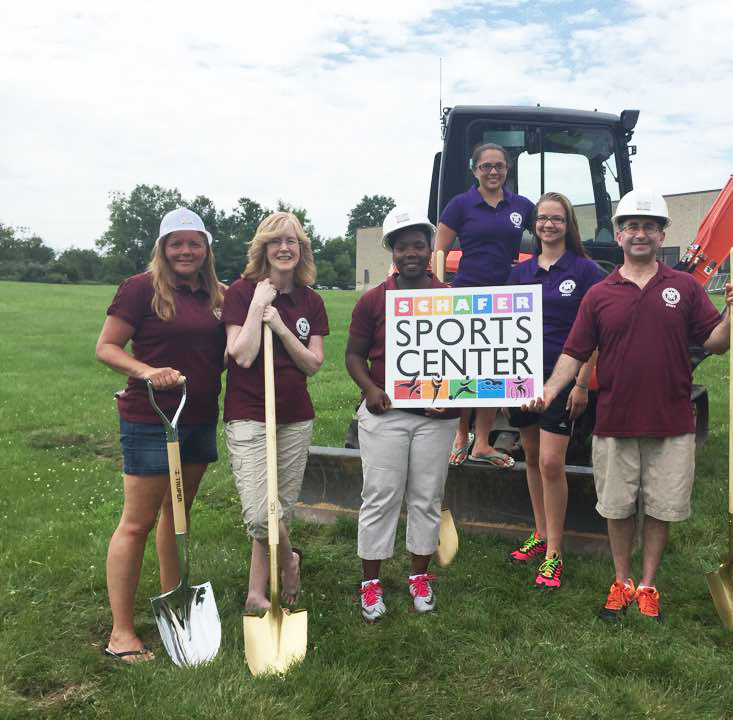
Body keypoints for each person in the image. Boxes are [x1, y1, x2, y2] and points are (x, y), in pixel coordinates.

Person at [526, 188, 733, 621]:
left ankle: (648, 585)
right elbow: (574, 352)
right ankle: (621, 580)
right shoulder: (600, 293)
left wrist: (732, 312)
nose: (639, 234)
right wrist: (551, 389)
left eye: (649, 227)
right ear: (620, 235)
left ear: (661, 236)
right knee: (617, 506)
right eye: (631, 227)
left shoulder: (683, 287)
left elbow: (715, 344)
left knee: (661, 508)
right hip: (615, 421)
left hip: (671, 420)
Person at [95, 207, 225, 663]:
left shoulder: (216, 294)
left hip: (199, 416)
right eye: (176, 243)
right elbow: (106, 347)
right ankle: (122, 633)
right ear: (163, 248)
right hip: (152, 418)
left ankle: (178, 607)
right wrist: (148, 371)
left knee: (179, 515)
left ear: (206, 247)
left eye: (194, 242)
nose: (185, 251)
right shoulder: (140, 289)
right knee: (138, 522)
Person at [346, 205, 460, 622]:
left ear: (431, 248)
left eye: (418, 245)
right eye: (402, 246)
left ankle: (418, 576)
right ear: (391, 251)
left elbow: (466, 360)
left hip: (436, 418)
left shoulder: (451, 299)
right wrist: (371, 388)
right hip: (387, 413)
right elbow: (354, 355)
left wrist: (454, 399)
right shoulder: (375, 299)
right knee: (380, 497)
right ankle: (370, 581)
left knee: (427, 498)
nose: (410, 252)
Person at [222, 211, 327, 613]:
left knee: (277, 505)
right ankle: (289, 562)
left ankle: (255, 592)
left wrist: (281, 326)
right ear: (263, 249)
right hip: (248, 413)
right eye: (276, 241)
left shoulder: (310, 301)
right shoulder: (240, 293)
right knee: (260, 511)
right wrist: (257, 306)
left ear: (302, 251)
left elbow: (313, 363)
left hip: (294, 416)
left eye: (293, 242)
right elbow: (243, 355)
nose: (285, 248)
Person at [506, 192, 605, 589]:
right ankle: (540, 532)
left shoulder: (585, 272)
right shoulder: (519, 274)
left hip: (562, 380)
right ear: (534, 225)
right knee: (530, 456)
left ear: (568, 225)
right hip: (521, 380)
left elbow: (597, 332)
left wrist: (582, 382)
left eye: (557, 219)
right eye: (542, 218)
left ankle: (554, 552)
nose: (549, 225)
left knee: (551, 462)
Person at [435, 143, 535, 468]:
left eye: (499, 166)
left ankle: (483, 442)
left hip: (506, 298)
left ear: (507, 170)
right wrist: (438, 292)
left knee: (494, 370)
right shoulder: (460, 204)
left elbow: (549, 237)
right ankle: (461, 435)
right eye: (486, 166)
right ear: (474, 169)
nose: (493, 172)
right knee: (466, 367)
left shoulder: (521, 205)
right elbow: (439, 249)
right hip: (466, 295)